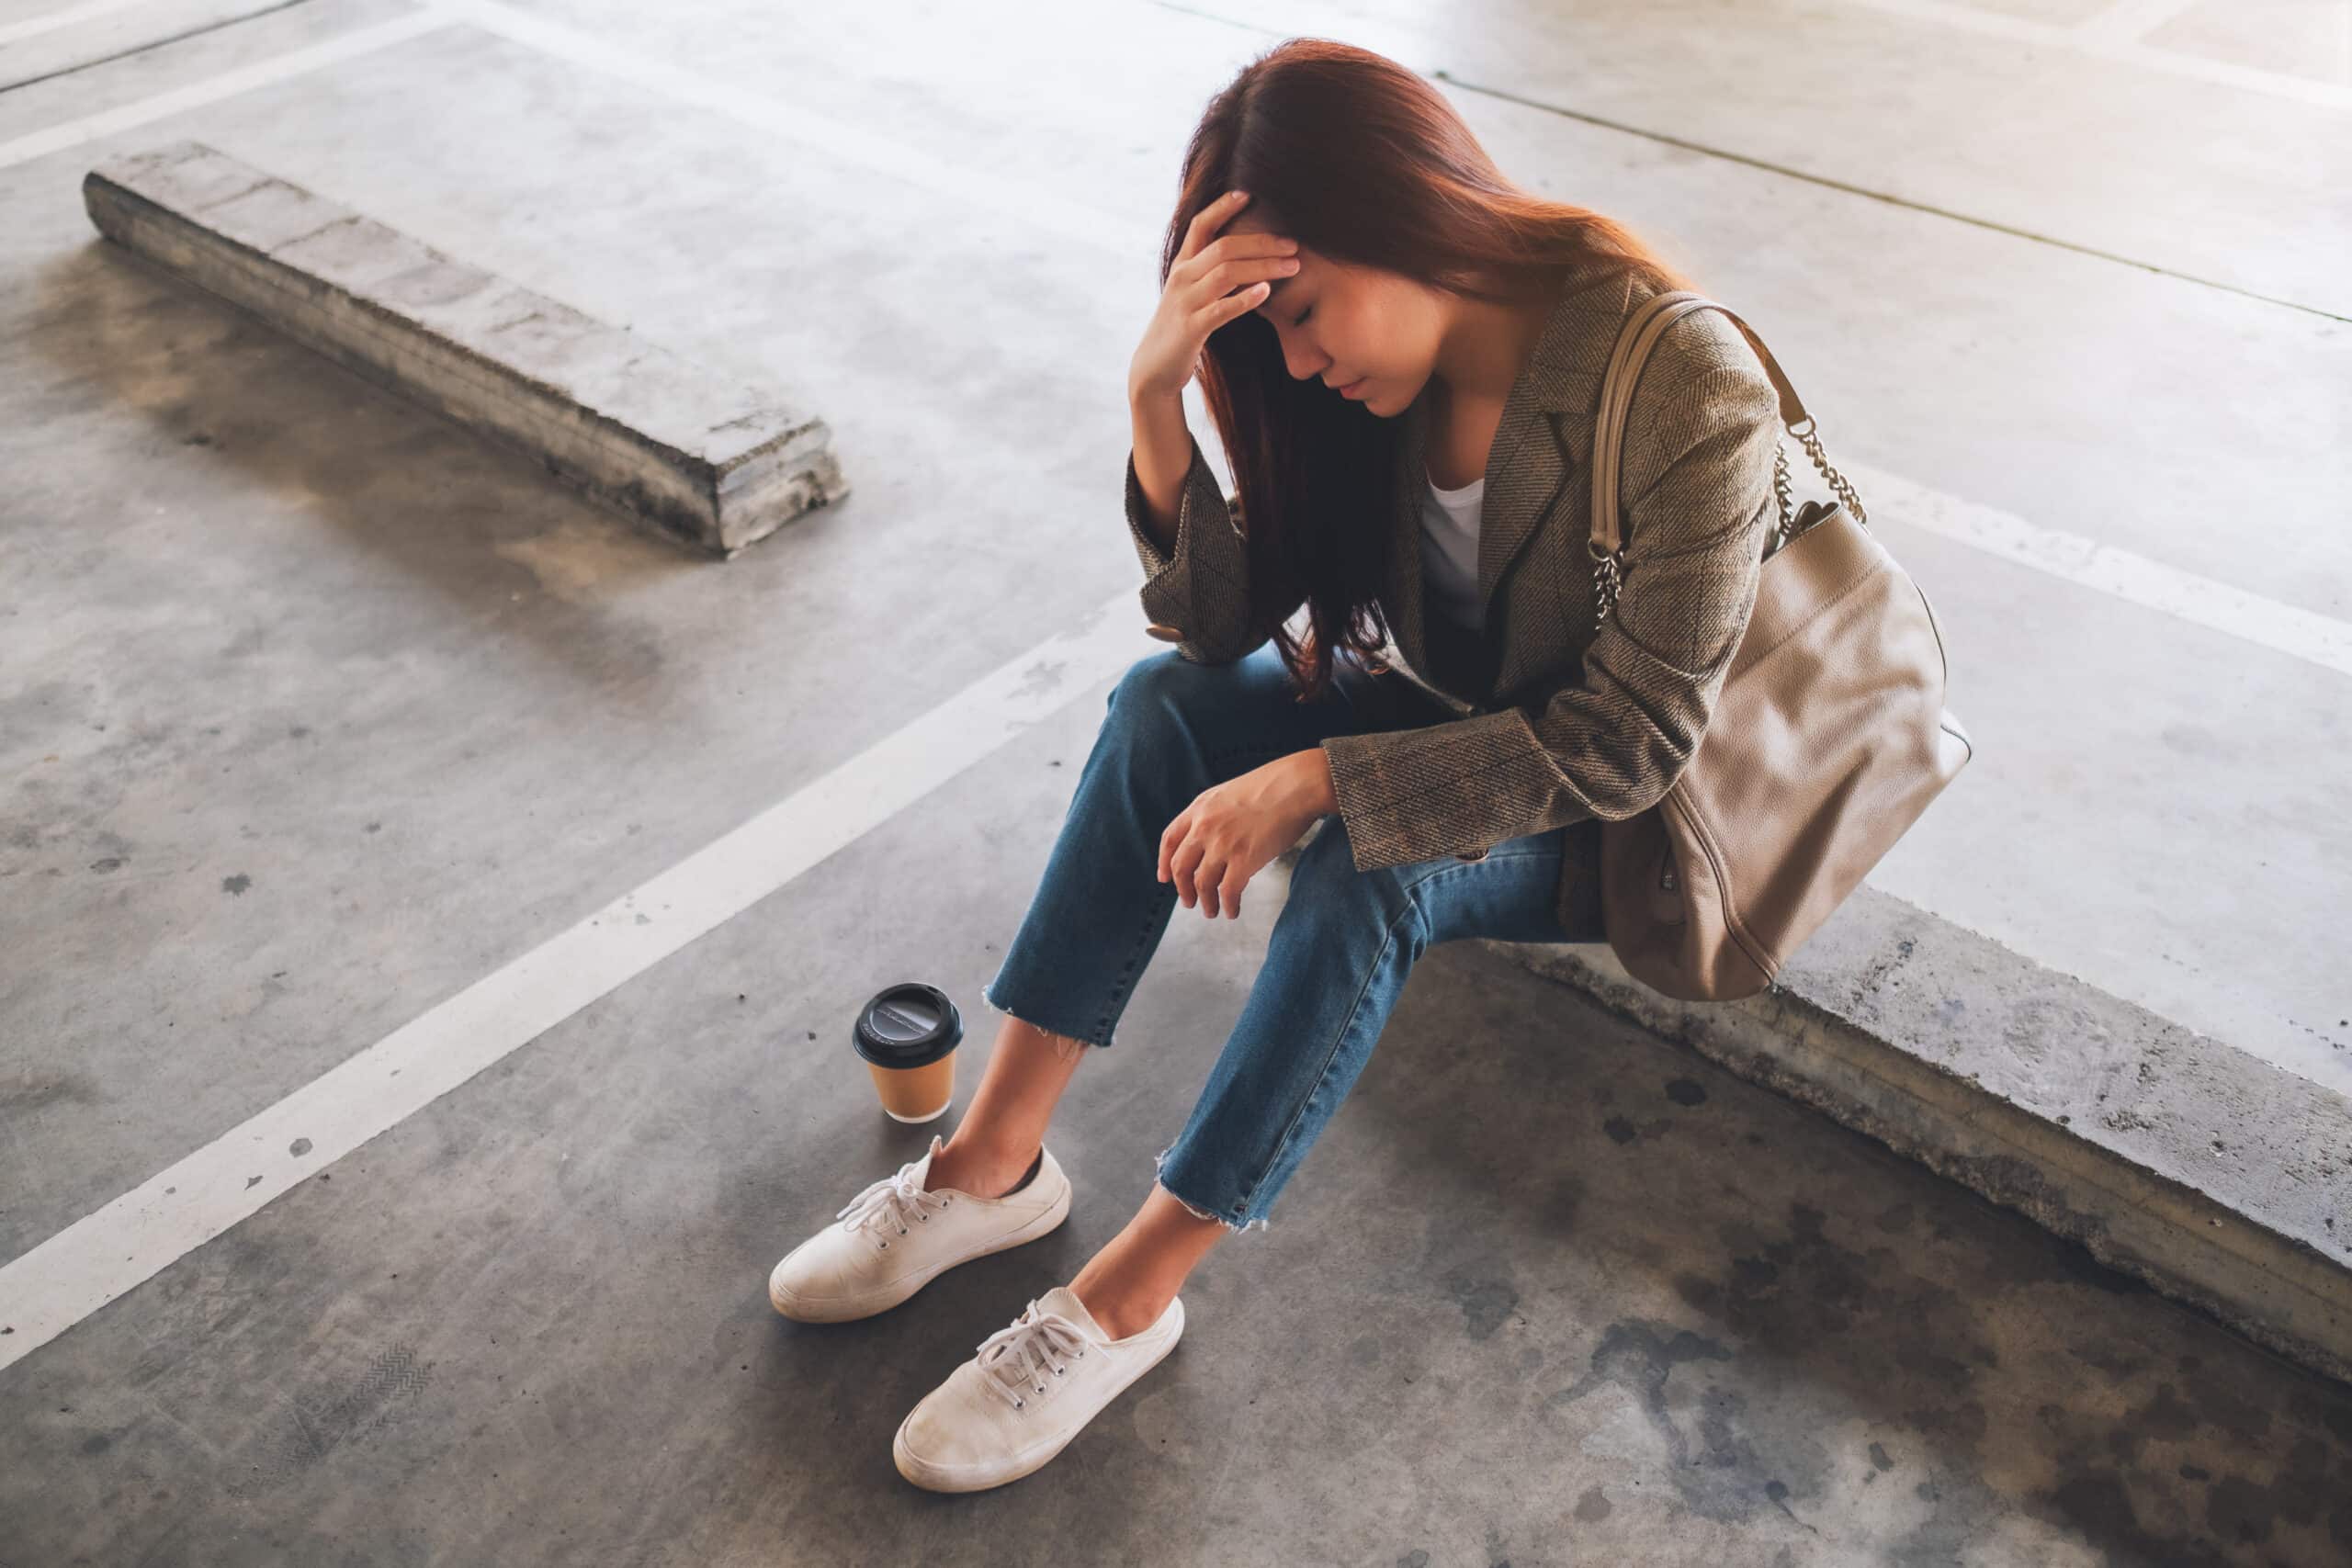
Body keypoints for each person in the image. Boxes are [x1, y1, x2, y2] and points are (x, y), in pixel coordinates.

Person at [768, 37, 1786, 1494]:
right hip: (1443, 711)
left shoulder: (1678, 374)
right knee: (1161, 711)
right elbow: (1217, 630)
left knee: (1371, 871)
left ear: (1406, 215)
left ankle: (1123, 1302)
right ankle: (992, 1167)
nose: (1299, 362)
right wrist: (1156, 412)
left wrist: (1318, 779)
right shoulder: (1357, 378)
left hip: (1609, 807)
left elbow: (1628, 741)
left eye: (1304, 315)